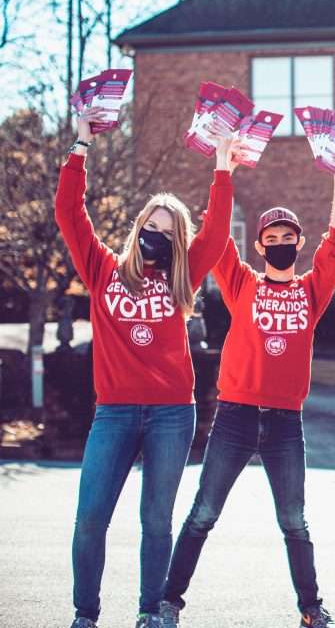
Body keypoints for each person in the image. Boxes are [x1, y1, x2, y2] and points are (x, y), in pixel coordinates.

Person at [159, 147, 335, 628]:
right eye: (273, 238)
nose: (283, 242)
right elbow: (217, 233)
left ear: (299, 243)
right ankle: (168, 603)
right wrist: (224, 168)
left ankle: (311, 609)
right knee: (203, 513)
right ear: (261, 247)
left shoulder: (312, 290)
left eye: (290, 236)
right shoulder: (242, 282)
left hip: (287, 422)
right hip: (236, 415)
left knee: (295, 522)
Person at [56, 107, 235, 628]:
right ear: (137, 229)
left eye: (167, 230)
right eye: (150, 226)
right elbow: (71, 215)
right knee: (90, 518)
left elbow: (218, 233)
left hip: (171, 415)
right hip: (113, 413)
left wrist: (222, 166)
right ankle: (85, 615)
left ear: (177, 240)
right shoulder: (102, 269)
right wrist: (81, 147)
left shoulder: (183, 277)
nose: (156, 234)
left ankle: (150, 611)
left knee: (155, 521)